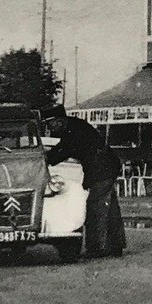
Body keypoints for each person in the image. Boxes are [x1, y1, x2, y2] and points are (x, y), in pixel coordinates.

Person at [41, 105, 124, 258]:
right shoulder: (74, 126)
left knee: (95, 207)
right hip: (107, 167)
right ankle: (116, 246)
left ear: (59, 121)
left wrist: (46, 160)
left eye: (49, 124)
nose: (49, 128)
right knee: (110, 208)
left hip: (101, 170)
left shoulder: (74, 130)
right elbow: (64, 146)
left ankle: (95, 248)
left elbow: (67, 149)